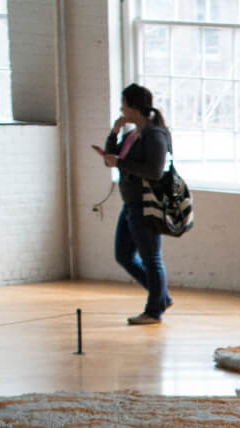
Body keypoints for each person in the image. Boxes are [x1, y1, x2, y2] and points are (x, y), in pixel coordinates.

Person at [91, 85, 173, 326]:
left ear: (134, 107)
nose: (121, 109)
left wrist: (120, 163)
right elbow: (112, 160)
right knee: (123, 255)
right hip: (130, 203)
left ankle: (154, 311)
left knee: (151, 258)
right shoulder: (132, 134)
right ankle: (161, 297)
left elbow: (154, 171)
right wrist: (114, 133)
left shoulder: (155, 135)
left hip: (146, 204)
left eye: (124, 104)